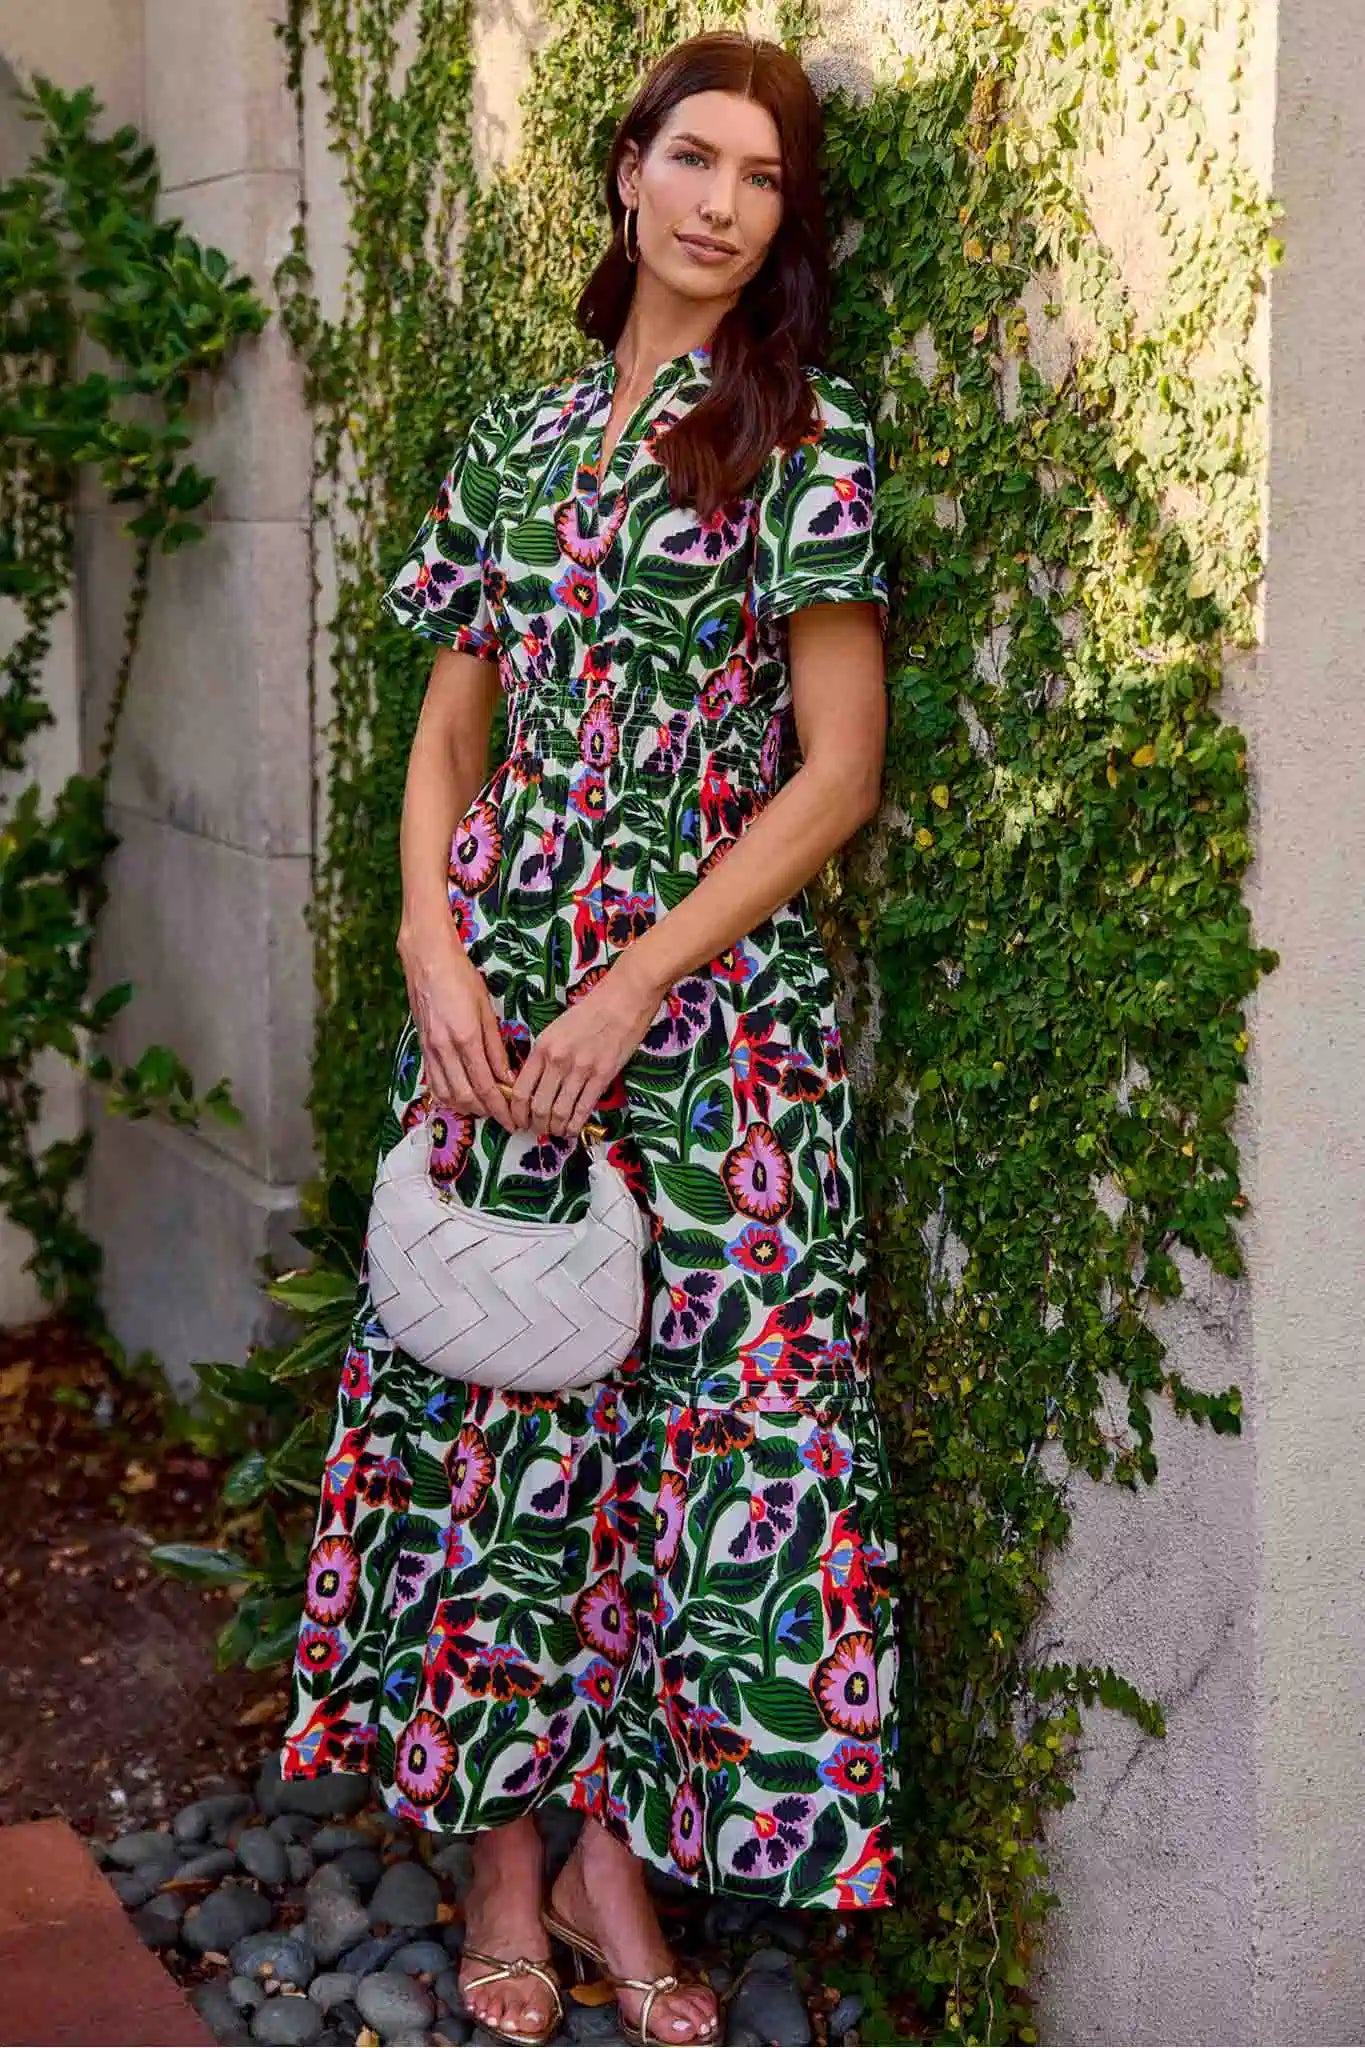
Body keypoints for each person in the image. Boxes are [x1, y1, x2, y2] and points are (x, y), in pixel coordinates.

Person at [279, 28, 898, 2047]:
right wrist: (425, 941)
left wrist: (636, 979)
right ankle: (499, 1858)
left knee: (684, 1432)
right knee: (499, 1411)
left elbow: (833, 773)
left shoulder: (796, 437)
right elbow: (453, 721)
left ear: (779, 223)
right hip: (494, 985)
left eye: (762, 179)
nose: (721, 203)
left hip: (704, 1014)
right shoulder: (512, 440)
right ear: (624, 172)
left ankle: (624, 1847)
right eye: (691, 159)